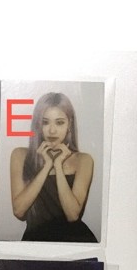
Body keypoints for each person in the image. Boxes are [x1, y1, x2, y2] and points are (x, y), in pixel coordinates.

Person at [10, 92, 98, 243]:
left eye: (59, 123)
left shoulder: (83, 160)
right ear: (38, 125)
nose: (52, 130)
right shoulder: (20, 155)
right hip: (35, 241)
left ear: (69, 124)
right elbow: (19, 211)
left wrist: (58, 166)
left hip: (75, 242)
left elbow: (72, 215)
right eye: (45, 122)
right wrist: (46, 167)